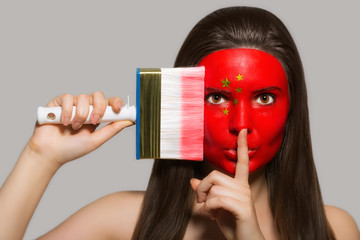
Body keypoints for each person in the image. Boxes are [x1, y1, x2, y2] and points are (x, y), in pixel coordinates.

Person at [0, 6, 359, 240]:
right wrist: (39, 157)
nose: (241, 124)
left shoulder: (336, 230)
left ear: (293, 109)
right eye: (217, 97)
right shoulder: (121, 219)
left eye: (264, 98)